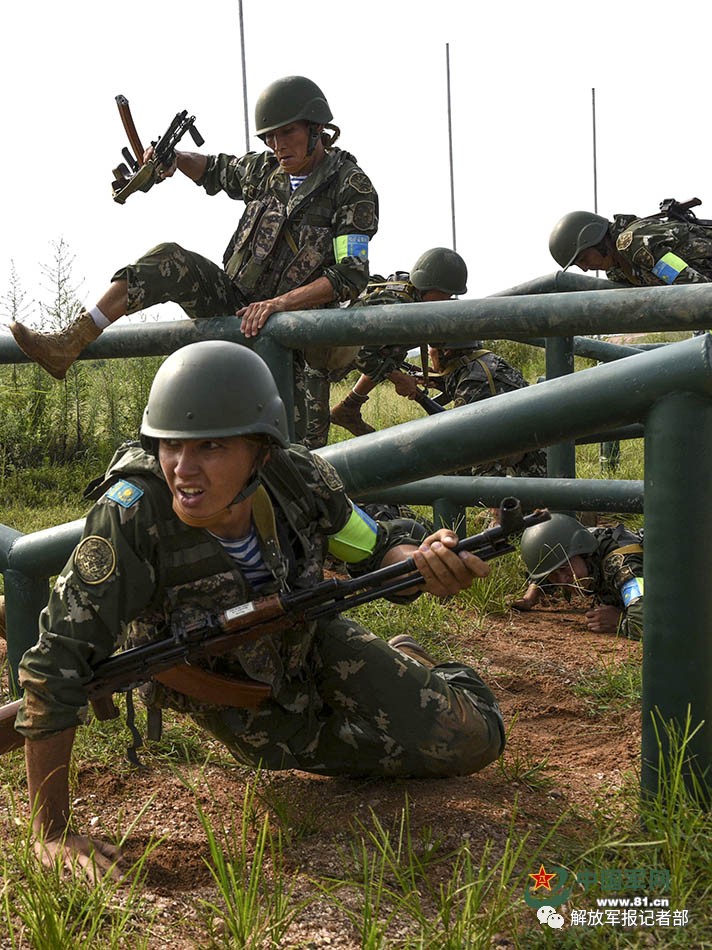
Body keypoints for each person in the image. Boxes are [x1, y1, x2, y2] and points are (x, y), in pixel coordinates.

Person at [15, 341, 505, 880]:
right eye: (169, 445)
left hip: (308, 635)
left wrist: (423, 562)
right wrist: (52, 832)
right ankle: (395, 676)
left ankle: (420, 668)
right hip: (222, 681)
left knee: (470, 740)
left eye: (211, 447)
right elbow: (54, 664)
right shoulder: (132, 515)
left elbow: (371, 547)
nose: (183, 468)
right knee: (305, 750)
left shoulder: (299, 478)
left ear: (261, 452)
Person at [9, 76, 379, 446]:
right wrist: (173, 159)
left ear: (317, 129)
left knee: (296, 457)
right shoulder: (267, 171)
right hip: (235, 309)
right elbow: (217, 170)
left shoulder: (350, 187)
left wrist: (278, 306)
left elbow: (349, 274)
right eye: (269, 137)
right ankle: (71, 340)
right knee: (171, 259)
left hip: (295, 339)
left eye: (288, 134)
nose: (277, 146)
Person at [329, 247, 467, 436]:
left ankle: (349, 407)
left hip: (337, 352)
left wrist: (419, 374)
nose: (448, 298)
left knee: (394, 350)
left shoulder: (413, 298)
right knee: (310, 435)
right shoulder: (396, 307)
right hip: (317, 359)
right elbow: (361, 352)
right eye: (446, 293)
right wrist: (398, 378)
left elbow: (388, 351)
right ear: (429, 287)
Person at [426, 342, 547, 478]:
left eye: (431, 348)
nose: (429, 353)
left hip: (527, 471)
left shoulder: (472, 381)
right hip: (533, 454)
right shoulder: (484, 362)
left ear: (446, 351)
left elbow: (456, 435)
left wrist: (419, 396)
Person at [514, 513, 644, 639]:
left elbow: (648, 623)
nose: (563, 580)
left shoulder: (620, 565)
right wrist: (530, 597)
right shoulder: (579, 541)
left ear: (583, 553)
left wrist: (619, 620)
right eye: (553, 575)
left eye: (564, 569)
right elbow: (549, 565)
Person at [549, 206, 712, 288]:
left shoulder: (632, 243)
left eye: (583, 259)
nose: (584, 269)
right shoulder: (618, 271)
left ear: (595, 240)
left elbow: (692, 284)